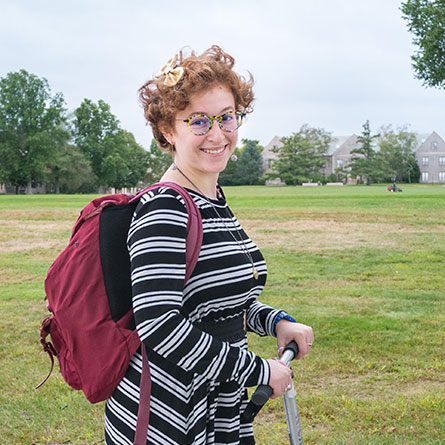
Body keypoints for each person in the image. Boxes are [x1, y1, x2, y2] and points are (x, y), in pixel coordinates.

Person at [105, 45, 314, 445]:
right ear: (168, 130)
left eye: (226, 117)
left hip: (217, 403)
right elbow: (160, 326)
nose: (217, 134)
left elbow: (217, 300)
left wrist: (276, 322)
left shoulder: (212, 200)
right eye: (198, 121)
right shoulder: (165, 208)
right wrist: (259, 370)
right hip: (171, 416)